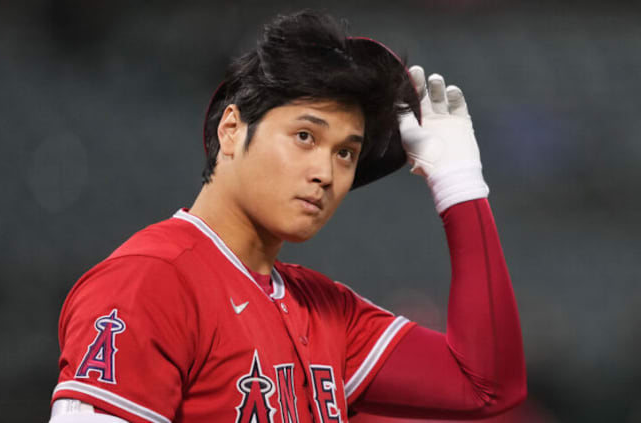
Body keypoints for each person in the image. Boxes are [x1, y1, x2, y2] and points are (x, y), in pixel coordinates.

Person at [48, 9, 527, 423]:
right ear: (232, 129)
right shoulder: (148, 283)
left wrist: (460, 185)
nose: (325, 171)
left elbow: (487, 386)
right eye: (305, 136)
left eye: (345, 153)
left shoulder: (323, 310)